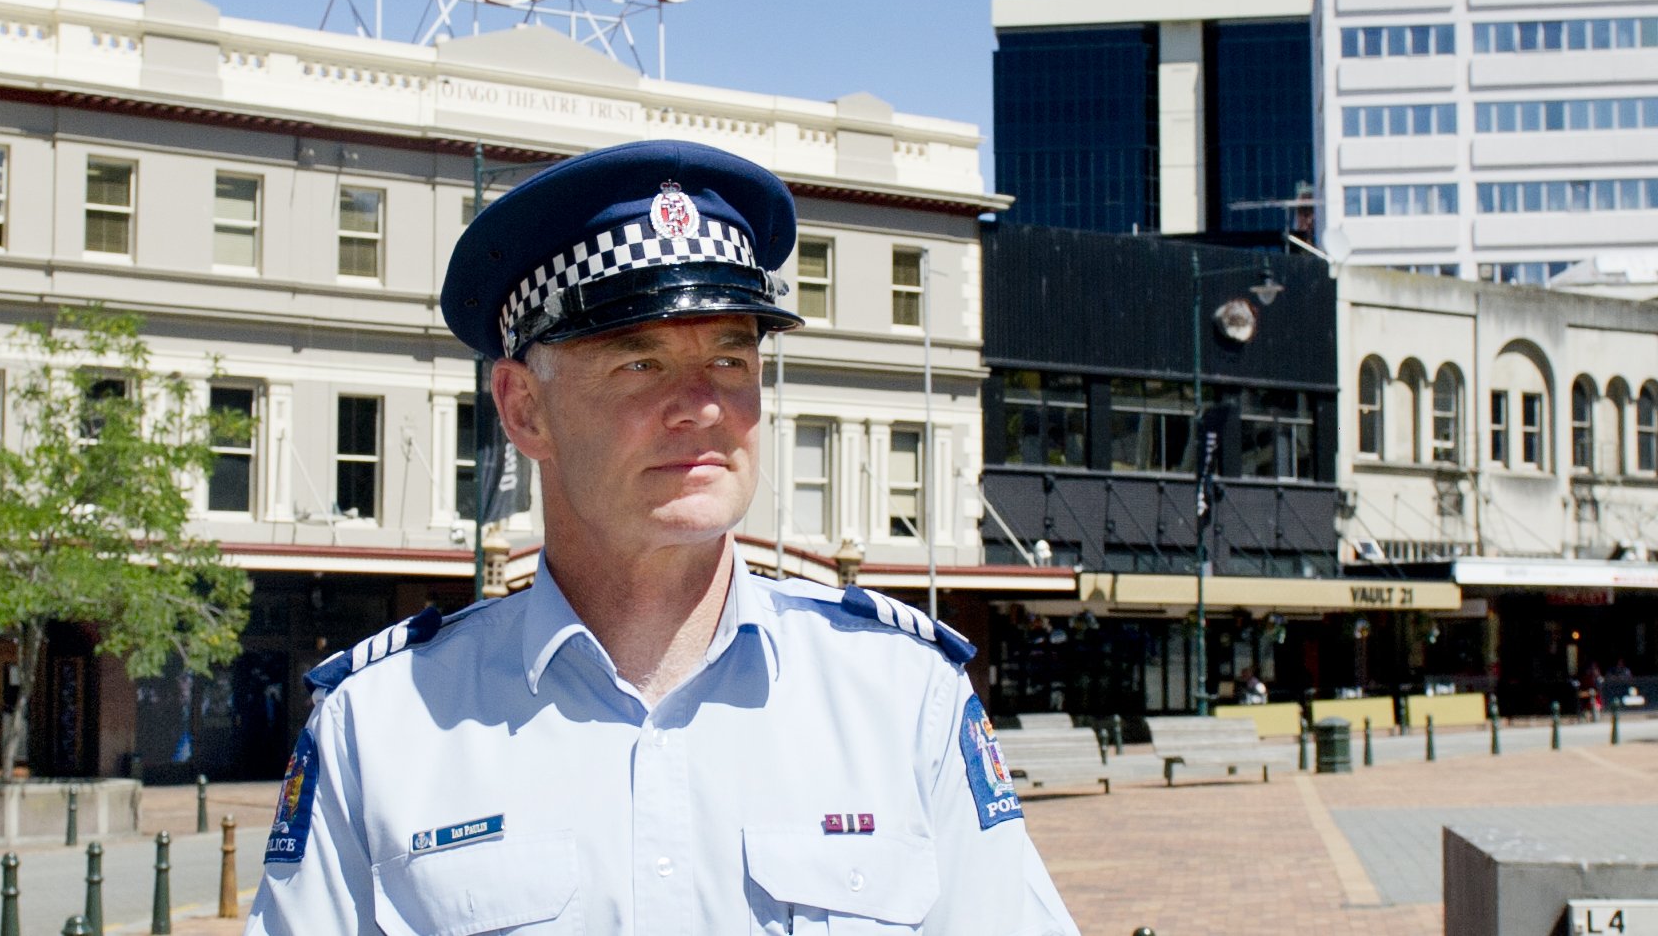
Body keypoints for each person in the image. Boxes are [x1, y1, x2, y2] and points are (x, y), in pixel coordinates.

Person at [246, 140, 1076, 934]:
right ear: (523, 408)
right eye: (638, 363)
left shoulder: (902, 702)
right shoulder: (383, 726)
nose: (703, 404)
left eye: (730, 360)